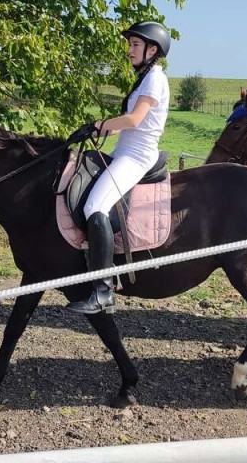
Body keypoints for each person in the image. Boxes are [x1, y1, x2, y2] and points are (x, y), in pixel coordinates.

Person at [65, 21, 171, 314]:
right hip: (124, 151)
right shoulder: (144, 78)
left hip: (137, 157)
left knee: (95, 207)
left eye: (135, 45)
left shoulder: (155, 79)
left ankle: (103, 292)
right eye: (130, 45)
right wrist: (94, 131)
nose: (129, 50)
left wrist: (99, 124)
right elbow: (125, 124)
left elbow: (135, 120)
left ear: (152, 50)